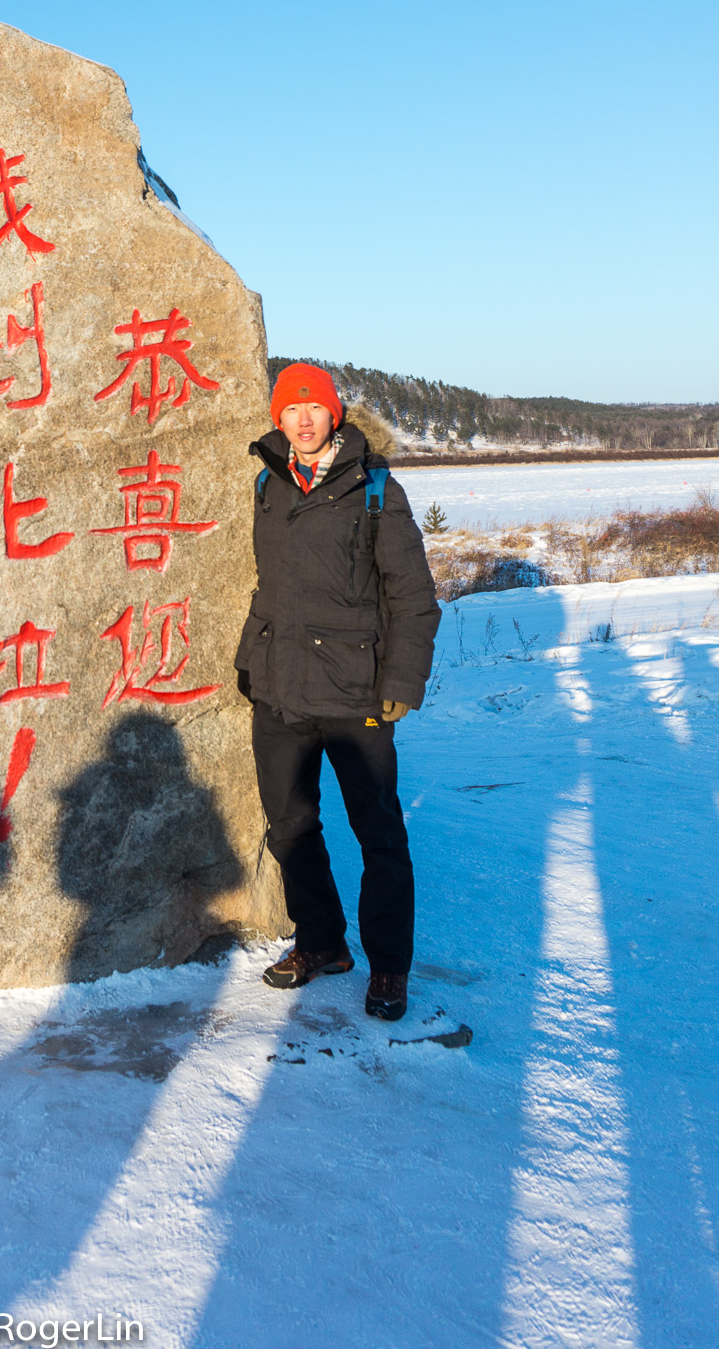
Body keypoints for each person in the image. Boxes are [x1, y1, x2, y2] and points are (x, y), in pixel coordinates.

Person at [235, 362, 441, 1021]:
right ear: (278, 418)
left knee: (378, 834)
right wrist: (250, 662)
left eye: (314, 408)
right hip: (280, 690)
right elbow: (269, 586)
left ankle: (387, 967)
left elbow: (413, 599)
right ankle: (320, 943)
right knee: (290, 828)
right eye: (290, 409)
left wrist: (401, 685)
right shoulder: (269, 482)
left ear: (334, 414)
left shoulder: (375, 488)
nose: (302, 419)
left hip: (357, 696)